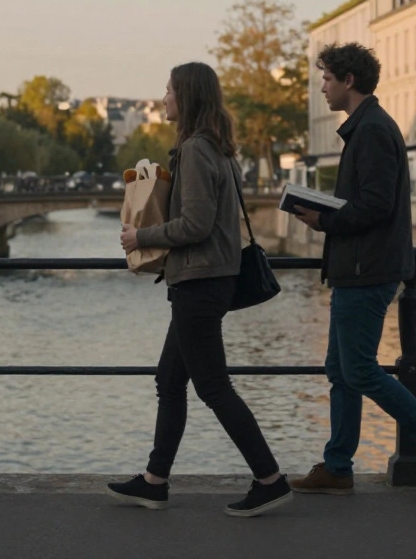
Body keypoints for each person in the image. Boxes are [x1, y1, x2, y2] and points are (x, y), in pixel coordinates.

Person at [110, 61, 292, 517]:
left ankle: (270, 479)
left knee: (212, 386)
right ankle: (154, 481)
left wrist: (141, 237)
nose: (164, 97)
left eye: (169, 90)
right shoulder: (220, 149)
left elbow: (195, 224)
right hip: (209, 279)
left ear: (186, 97)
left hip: (200, 281)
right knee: (169, 381)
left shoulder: (194, 150)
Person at [290, 42, 416, 504]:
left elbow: (375, 205)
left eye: (327, 78)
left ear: (349, 81)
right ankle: (336, 467)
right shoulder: (367, 127)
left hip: (367, 268)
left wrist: (323, 219)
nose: (323, 87)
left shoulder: (370, 131)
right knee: (340, 370)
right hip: (360, 267)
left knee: (361, 371)